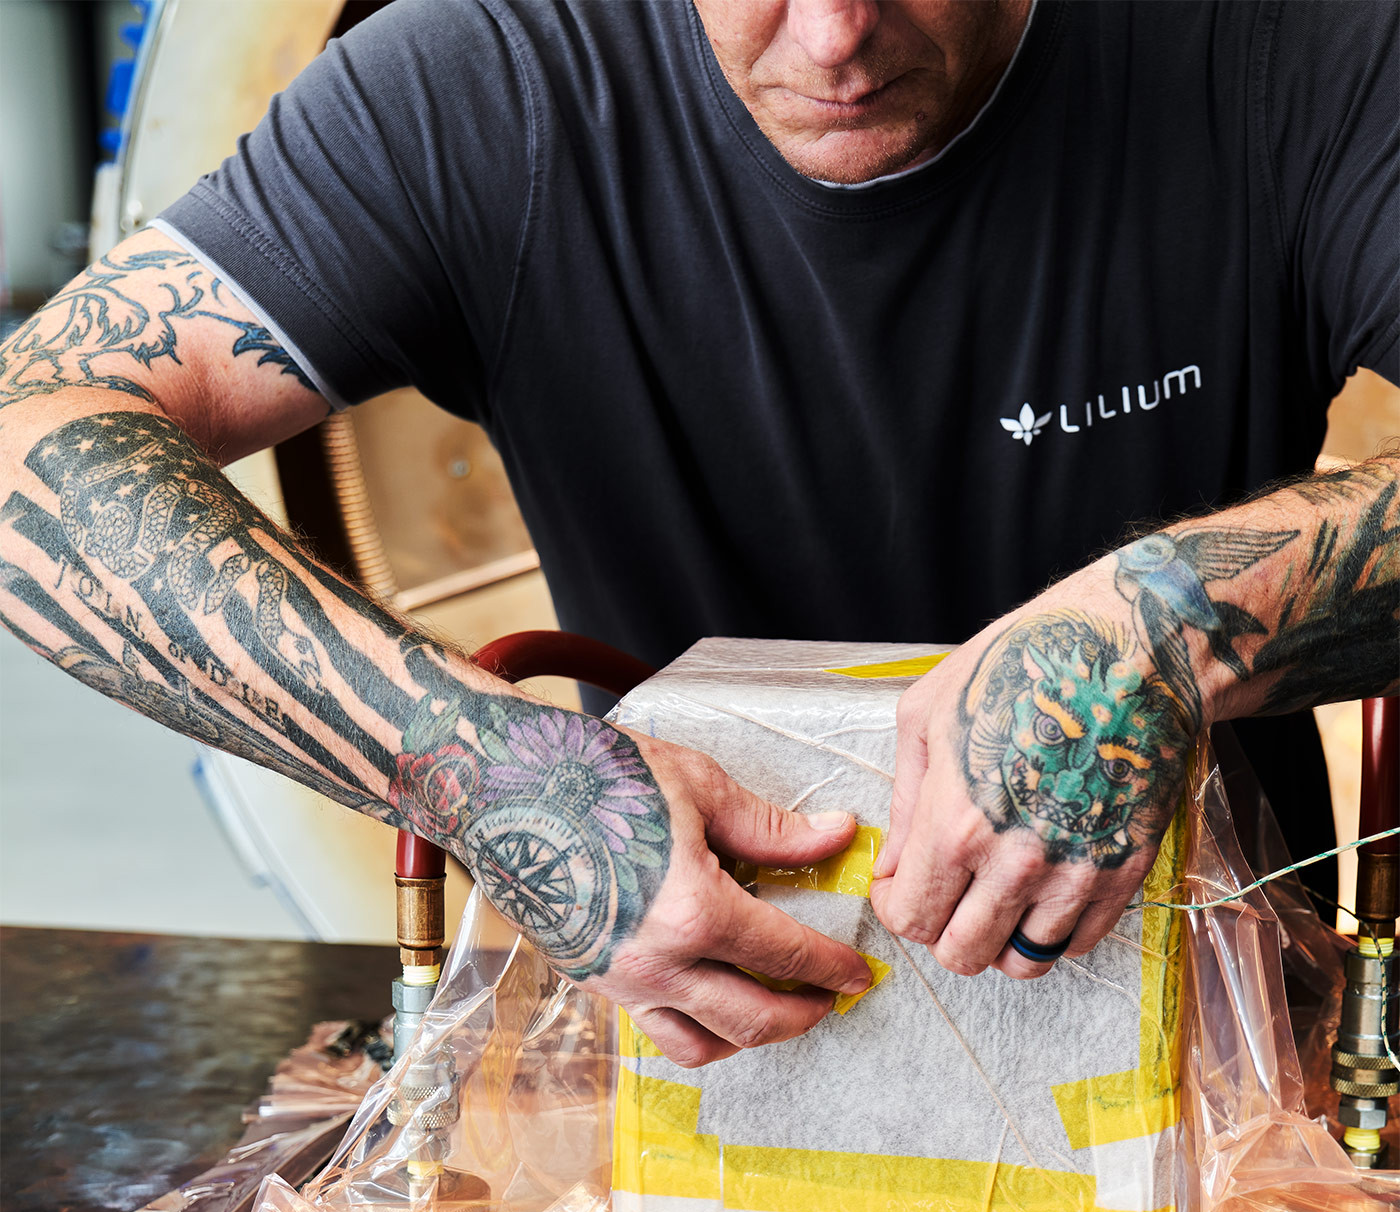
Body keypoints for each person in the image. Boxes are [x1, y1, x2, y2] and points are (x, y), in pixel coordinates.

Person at [1, 0, 1395, 1068]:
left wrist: (1169, 620)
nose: (839, 36)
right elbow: (26, 436)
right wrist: (497, 772)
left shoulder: (1290, 52)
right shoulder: (491, 85)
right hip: (711, 1056)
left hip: (1228, 1088)